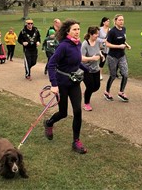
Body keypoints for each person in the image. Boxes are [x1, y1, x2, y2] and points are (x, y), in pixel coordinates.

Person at [43, 20, 88, 154]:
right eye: (74, 29)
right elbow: (51, 65)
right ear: (68, 31)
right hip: (62, 84)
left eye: (78, 29)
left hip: (74, 83)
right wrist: (54, 84)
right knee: (63, 113)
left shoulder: (77, 44)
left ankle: (76, 141)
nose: (77, 31)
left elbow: (76, 61)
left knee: (78, 111)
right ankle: (49, 123)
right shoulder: (63, 46)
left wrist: (88, 69)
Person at [104, 14, 131, 102]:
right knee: (113, 75)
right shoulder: (112, 31)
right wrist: (119, 46)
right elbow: (107, 44)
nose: (121, 21)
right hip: (112, 56)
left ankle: (121, 92)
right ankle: (107, 92)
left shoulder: (124, 29)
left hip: (122, 55)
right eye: (119, 20)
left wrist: (127, 45)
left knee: (125, 74)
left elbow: (123, 39)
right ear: (115, 21)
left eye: (122, 20)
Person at [81, 26, 102, 111]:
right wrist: (92, 58)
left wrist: (101, 55)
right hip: (86, 69)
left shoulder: (97, 42)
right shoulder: (85, 44)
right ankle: (86, 104)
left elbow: (98, 50)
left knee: (97, 86)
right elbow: (81, 58)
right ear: (91, 34)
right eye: (96, 34)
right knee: (90, 87)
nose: (98, 35)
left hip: (96, 68)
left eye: (98, 33)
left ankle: (86, 93)